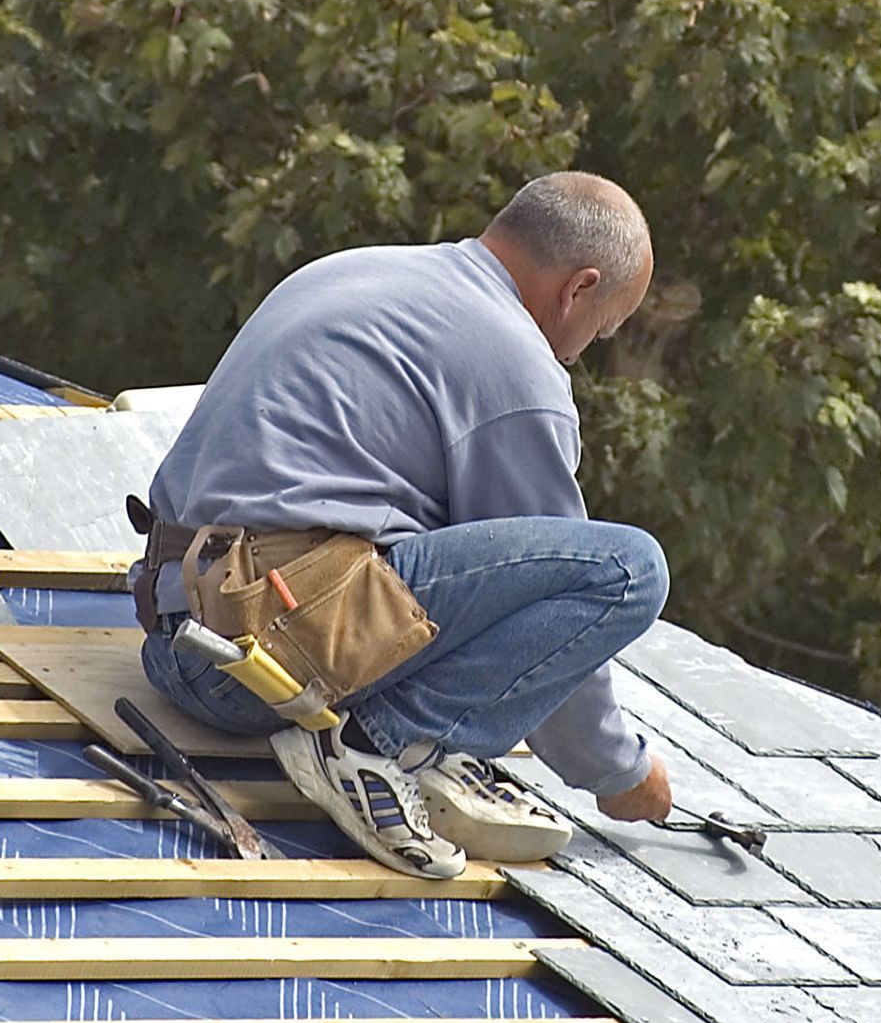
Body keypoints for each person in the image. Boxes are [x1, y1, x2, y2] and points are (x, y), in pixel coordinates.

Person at [134, 171, 673, 879]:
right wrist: (620, 773)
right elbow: (550, 611)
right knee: (629, 570)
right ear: (578, 288)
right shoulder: (514, 364)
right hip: (261, 665)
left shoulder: (359, 270)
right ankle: (379, 746)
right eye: (598, 331)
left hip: (179, 636)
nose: (577, 355)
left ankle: (395, 739)